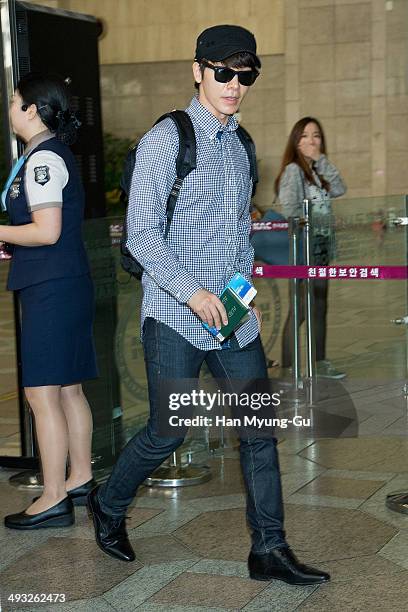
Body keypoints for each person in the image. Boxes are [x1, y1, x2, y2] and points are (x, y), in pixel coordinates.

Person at [87, 25, 329, 586]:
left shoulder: (241, 145)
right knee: (169, 431)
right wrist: (190, 291)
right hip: (174, 313)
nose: (234, 85)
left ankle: (269, 548)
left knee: (259, 432)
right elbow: (141, 233)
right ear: (198, 70)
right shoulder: (166, 140)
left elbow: (238, 240)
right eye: (224, 72)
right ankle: (108, 504)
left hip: (231, 316)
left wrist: (244, 297)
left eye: (245, 76)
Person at [1, 73, 98, 530]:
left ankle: (54, 495)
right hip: (66, 282)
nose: (10, 108)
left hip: (51, 289)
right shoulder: (48, 156)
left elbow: (47, 231)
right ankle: (80, 478)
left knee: (42, 394)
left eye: (14, 101)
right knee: (68, 389)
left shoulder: (42, 160)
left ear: (32, 110)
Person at [276, 117, 347, 379]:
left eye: (316, 135)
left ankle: (319, 364)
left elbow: (340, 188)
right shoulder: (293, 171)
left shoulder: (317, 171)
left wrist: (321, 160)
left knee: (319, 307)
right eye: (304, 136)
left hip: (321, 250)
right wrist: (319, 219)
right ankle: (288, 370)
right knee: (300, 311)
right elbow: (291, 212)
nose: (311, 141)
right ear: (296, 141)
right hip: (302, 250)